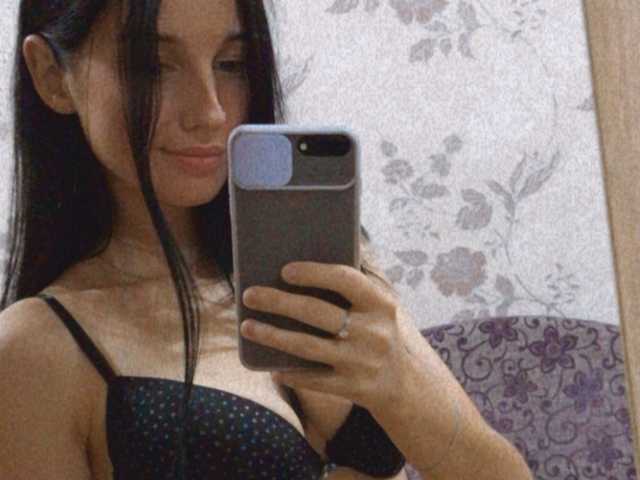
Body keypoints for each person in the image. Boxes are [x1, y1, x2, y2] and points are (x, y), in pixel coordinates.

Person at [0, 0, 533, 479]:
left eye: (232, 64)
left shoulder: (330, 267)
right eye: (152, 65)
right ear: (51, 75)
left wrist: (406, 390)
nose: (210, 111)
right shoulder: (33, 352)